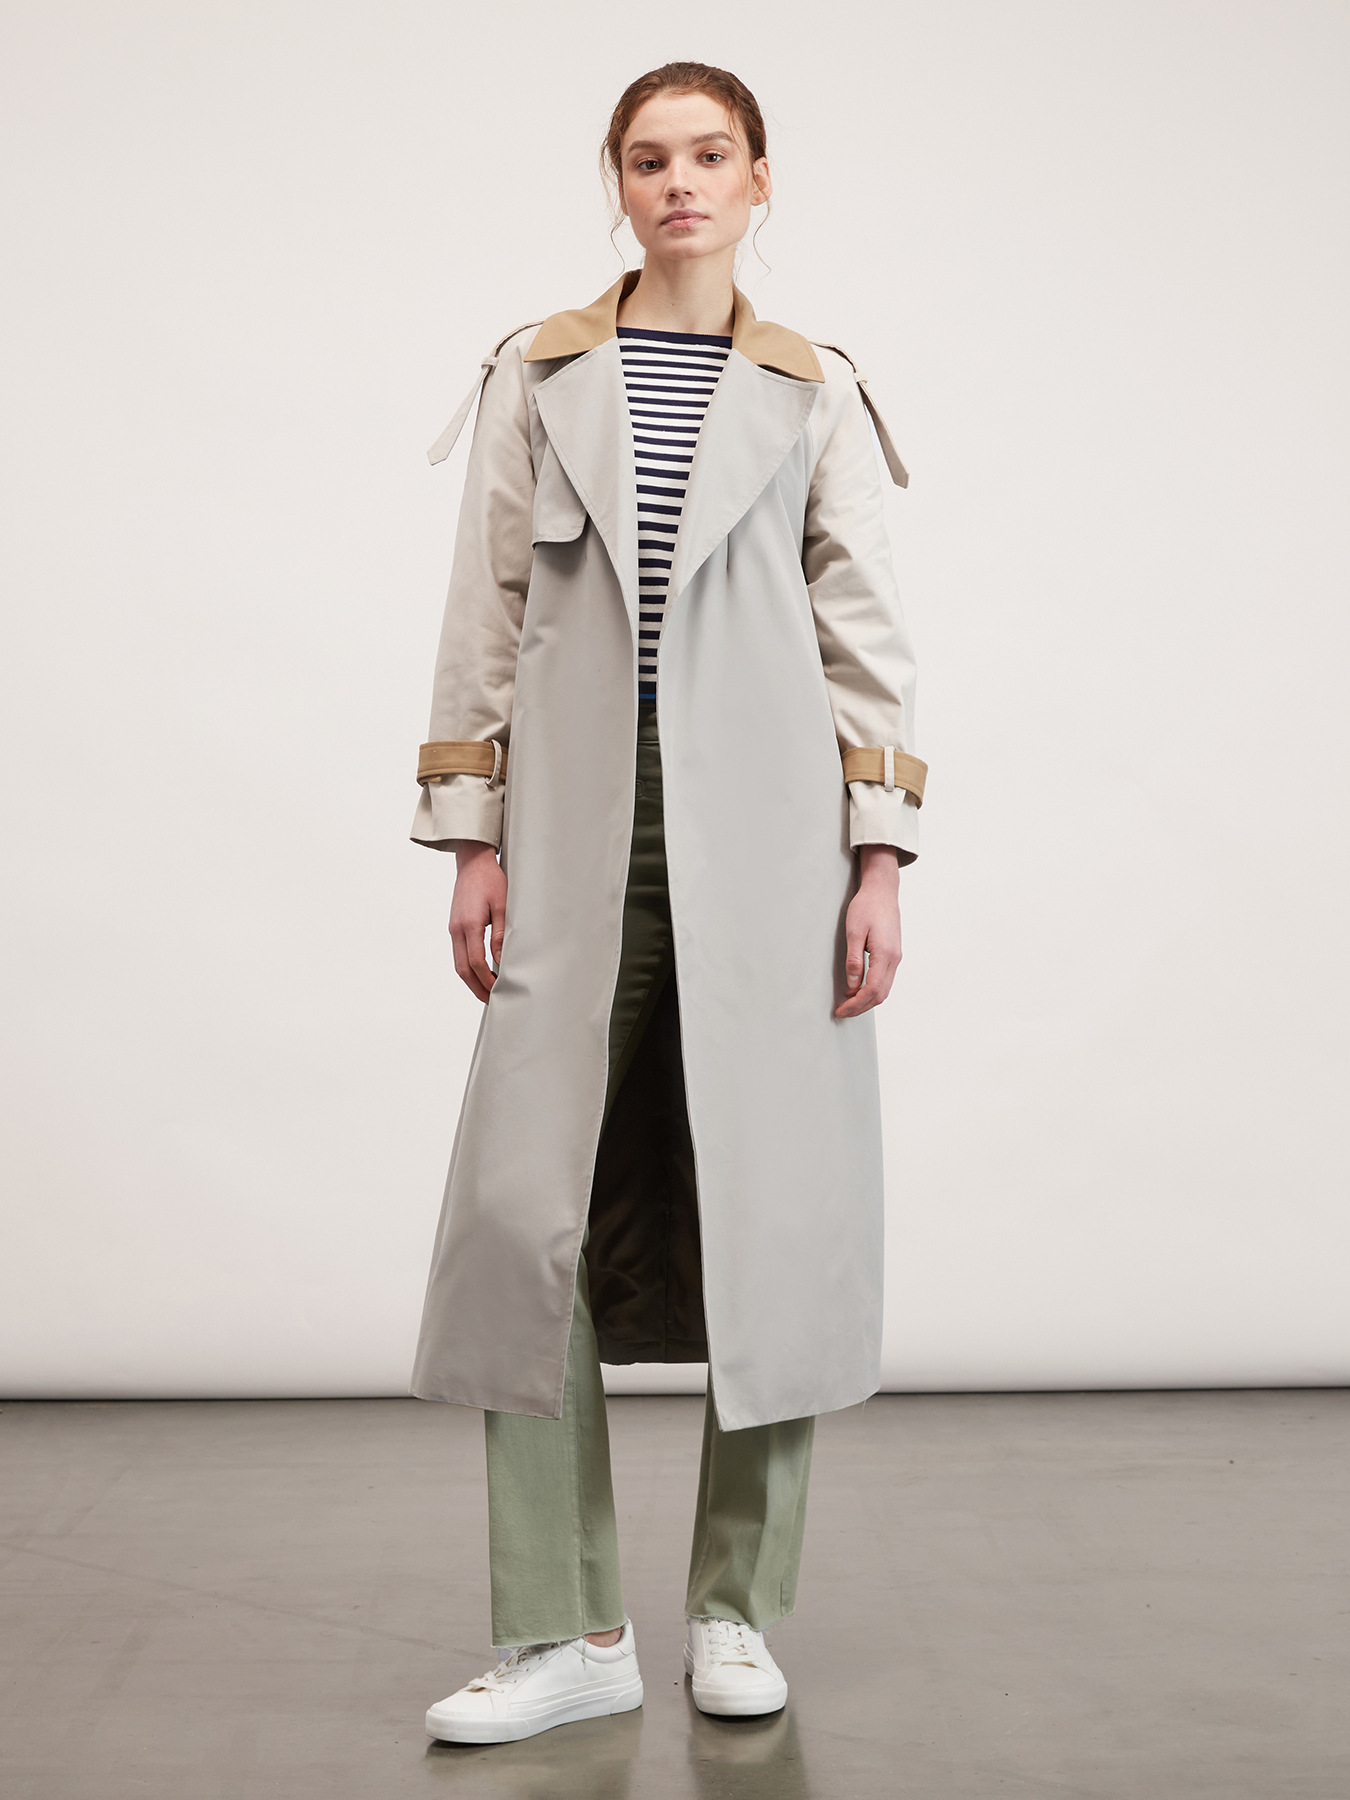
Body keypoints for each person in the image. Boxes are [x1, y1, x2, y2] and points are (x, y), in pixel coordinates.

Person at [409, 61, 926, 1745]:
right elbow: (487, 607)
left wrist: (876, 860)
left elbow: (861, 634)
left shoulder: (814, 389)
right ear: (617, 184)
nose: (679, 182)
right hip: (572, 837)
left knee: (774, 1213)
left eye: (710, 155)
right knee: (525, 1218)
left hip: (771, 848)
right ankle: (564, 1631)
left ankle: (733, 1610)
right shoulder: (539, 371)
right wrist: (472, 837)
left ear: (760, 179)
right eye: (649, 158)